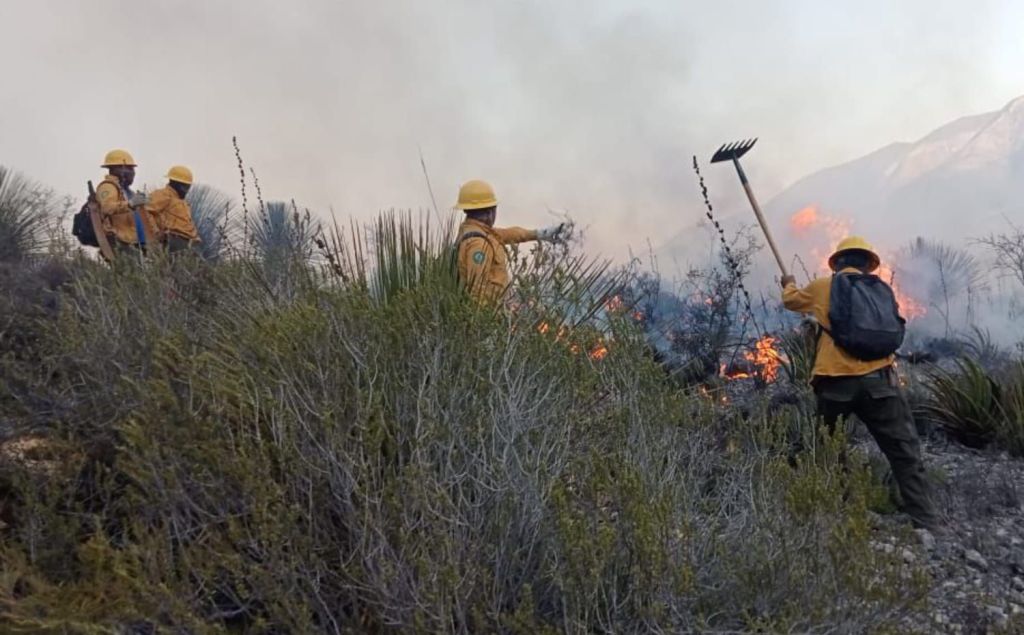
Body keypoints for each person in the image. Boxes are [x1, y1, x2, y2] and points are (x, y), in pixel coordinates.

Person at [781, 236, 939, 530]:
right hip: (880, 382)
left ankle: (844, 513)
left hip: (835, 383)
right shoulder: (882, 291)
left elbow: (790, 301)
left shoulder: (822, 287)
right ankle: (925, 519)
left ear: (837, 263)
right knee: (903, 450)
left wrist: (788, 282)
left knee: (829, 448)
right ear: (868, 264)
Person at [454, 179, 567, 303]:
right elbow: (477, 291)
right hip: (490, 315)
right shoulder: (479, 244)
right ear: (489, 211)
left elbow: (511, 234)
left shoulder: (478, 231)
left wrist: (540, 234)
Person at [96, 149, 150, 254]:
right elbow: (107, 207)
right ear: (119, 169)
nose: (133, 172)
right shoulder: (108, 187)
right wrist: (130, 204)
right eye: (130, 168)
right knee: (130, 269)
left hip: (135, 241)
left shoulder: (127, 191)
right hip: (120, 241)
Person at [146, 165, 201, 255]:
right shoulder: (162, 194)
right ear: (176, 184)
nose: (186, 190)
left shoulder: (182, 203)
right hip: (173, 241)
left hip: (188, 243)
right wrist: (156, 233)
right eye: (185, 186)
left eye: (188, 187)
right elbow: (146, 212)